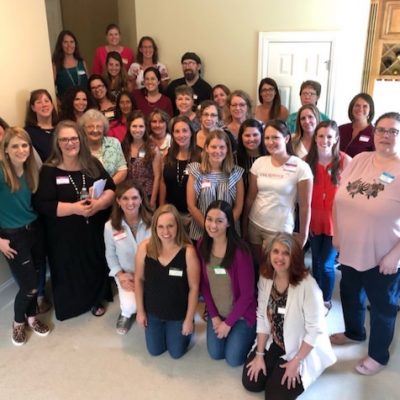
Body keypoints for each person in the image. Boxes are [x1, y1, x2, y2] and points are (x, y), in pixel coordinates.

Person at [331, 112, 400, 375]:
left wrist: (395, 255)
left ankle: (378, 356)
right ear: (374, 133)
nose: (386, 135)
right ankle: (354, 332)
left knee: (382, 307)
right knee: (350, 294)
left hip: (384, 254)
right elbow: (338, 198)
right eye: (381, 130)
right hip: (350, 248)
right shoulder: (360, 159)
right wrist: (337, 233)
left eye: (393, 131)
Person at [33, 120, 115, 321]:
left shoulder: (92, 164)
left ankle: (96, 299)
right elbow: (43, 204)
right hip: (63, 236)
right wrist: (75, 209)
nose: (70, 143)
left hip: (92, 230)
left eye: (74, 138)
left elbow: (111, 188)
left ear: (80, 140)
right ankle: (73, 304)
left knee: (94, 263)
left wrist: (98, 204)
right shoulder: (49, 170)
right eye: (64, 139)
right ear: (57, 143)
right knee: (68, 268)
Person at [242, 233, 336, 400]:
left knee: (275, 396)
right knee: (251, 382)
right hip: (276, 340)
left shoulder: (308, 286)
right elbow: (262, 316)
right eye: (275, 251)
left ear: (295, 257)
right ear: (269, 254)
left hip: (300, 346)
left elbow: (315, 330)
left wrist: (296, 361)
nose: (279, 257)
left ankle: (301, 366)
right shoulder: (266, 277)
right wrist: (259, 354)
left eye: (286, 253)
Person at [0, 127, 50, 346]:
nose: (21, 150)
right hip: (13, 237)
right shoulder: (1, 172)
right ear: (6, 149)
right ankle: (18, 322)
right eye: (15, 146)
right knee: (29, 286)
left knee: (37, 278)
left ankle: (31, 318)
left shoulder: (32, 171)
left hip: (35, 230)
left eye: (24, 145)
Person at [242, 119, 313, 264]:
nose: (270, 142)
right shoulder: (259, 163)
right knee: (258, 265)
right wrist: (244, 225)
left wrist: (303, 235)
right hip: (255, 224)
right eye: (267, 138)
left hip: (280, 228)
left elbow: (305, 206)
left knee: (275, 268)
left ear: (286, 138)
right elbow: (250, 198)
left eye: (275, 137)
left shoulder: (301, 167)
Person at [135, 204, 200, 359]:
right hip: (153, 312)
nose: (166, 232)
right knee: (155, 351)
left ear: (178, 226)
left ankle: (184, 327)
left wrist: (188, 320)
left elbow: (194, 287)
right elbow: (138, 279)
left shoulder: (188, 252)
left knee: (176, 353)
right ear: (154, 228)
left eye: (170, 226)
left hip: (178, 314)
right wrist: (140, 311)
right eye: (161, 227)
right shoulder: (145, 248)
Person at [197, 200, 256, 366]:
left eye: (219, 221)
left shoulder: (240, 252)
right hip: (219, 312)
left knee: (233, 359)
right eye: (209, 219)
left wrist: (228, 324)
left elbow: (247, 295)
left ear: (229, 223)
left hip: (242, 314)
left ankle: (251, 333)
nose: (212, 225)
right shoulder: (202, 244)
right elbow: (204, 285)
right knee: (216, 353)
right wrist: (214, 317)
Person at [305, 121, 351, 314]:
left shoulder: (345, 161)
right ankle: (316, 296)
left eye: (329, 136)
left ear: (336, 138)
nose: (325, 140)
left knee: (326, 264)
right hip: (314, 220)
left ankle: (325, 299)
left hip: (336, 222)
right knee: (315, 261)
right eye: (321, 136)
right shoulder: (306, 161)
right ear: (315, 137)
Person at [104, 180, 152, 335]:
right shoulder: (110, 226)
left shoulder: (154, 221)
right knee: (131, 306)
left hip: (151, 273)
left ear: (141, 199)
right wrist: (120, 275)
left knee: (155, 302)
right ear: (118, 201)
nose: (130, 203)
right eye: (125, 198)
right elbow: (110, 255)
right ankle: (125, 313)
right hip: (127, 274)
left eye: (134, 197)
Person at [187, 129, 244, 241]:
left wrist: (223, 230)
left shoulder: (236, 174)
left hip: (228, 234)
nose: (218, 151)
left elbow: (238, 207)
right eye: (213, 147)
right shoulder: (196, 172)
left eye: (222, 147)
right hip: (201, 232)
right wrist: (209, 228)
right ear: (206, 148)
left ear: (227, 149)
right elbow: (191, 206)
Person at [159, 116, 201, 215]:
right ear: (173, 134)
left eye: (185, 131)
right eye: (177, 131)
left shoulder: (201, 155)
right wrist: (161, 207)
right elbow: (163, 182)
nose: (181, 135)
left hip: (193, 214)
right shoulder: (167, 154)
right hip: (171, 213)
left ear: (191, 133)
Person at [121, 111, 161, 209]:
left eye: (141, 126)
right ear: (129, 127)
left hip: (147, 195)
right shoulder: (123, 146)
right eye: (134, 126)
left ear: (146, 128)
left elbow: (157, 176)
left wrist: (153, 200)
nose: (137, 130)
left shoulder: (152, 148)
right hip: (128, 195)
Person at [79, 109, 127, 185]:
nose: (95, 130)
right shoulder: (78, 146)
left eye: (99, 126)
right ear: (83, 129)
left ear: (104, 128)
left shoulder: (114, 143)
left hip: (111, 189)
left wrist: (106, 186)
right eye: (90, 126)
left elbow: (122, 171)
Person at [52, 30, 89, 99]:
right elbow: (51, 89)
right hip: (65, 104)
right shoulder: (55, 65)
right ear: (60, 45)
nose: (69, 45)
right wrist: (58, 101)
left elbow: (88, 83)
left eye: (72, 42)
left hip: (84, 102)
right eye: (65, 42)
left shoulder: (82, 62)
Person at [25, 89, 58, 163]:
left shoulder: (62, 128)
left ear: (52, 105)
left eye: (46, 101)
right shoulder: (28, 133)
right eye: (39, 102)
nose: (44, 105)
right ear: (33, 108)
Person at [339, 93, 375, 157]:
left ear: (370, 110)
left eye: (365, 106)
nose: (360, 109)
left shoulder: (375, 134)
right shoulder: (340, 129)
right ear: (352, 108)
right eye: (357, 105)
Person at [236, 118, 267, 191]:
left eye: (255, 135)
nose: (251, 139)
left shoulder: (269, 157)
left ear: (261, 135)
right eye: (247, 135)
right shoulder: (234, 158)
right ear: (241, 137)